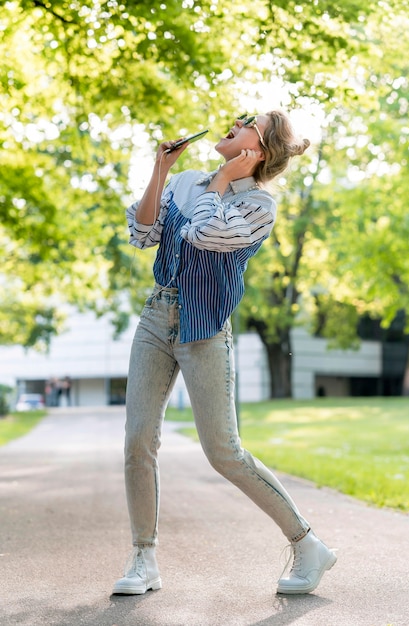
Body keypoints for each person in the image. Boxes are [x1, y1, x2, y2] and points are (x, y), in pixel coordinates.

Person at [113, 111, 337, 596]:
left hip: (206, 329)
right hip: (157, 316)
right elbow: (142, 233)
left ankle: (308, 544)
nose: (232, 122)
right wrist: (161, 171)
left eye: (247, 123)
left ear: (261, 148)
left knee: (224, 452)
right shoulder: (190, 180)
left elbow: (203, 235)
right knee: (136, 442)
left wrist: (224, 180)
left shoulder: (258, 205)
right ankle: (143, 559)